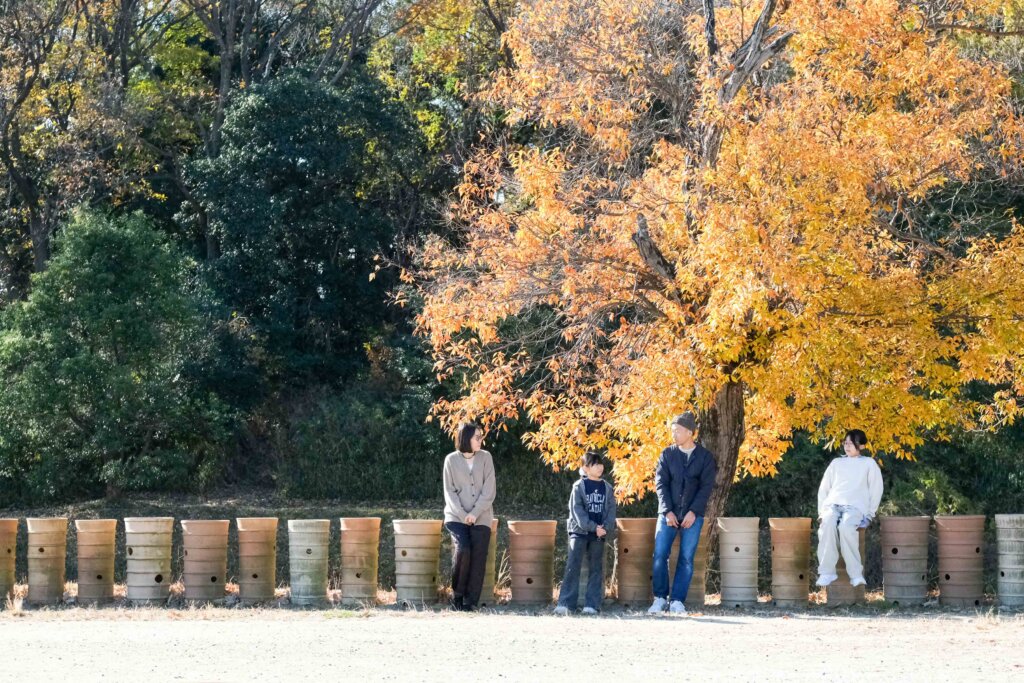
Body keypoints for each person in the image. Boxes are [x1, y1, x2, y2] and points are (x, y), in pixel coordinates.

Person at [648, 411, 717, 614]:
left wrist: (693, 512)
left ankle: (677, 601)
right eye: (672, 430)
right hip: (667, 514)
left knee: (686, 558)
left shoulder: (705, 457)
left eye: (677, 430)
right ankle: (660, 598)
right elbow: (660, 484)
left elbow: (706, 487)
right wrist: (667, 511)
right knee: (660, 555)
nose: (674, 434)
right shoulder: (667, 454)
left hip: (692, 516)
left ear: (690, 432)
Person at [815, 429, 883, 588]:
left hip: (855, 507)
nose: (847, 446)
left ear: (862, 446)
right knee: (827, 525)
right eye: (846, 443)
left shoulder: (869, 463)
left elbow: (876, 489)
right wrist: (821, 512)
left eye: (852, 443)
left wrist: (870, 514)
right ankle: (827, 572)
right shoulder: (836, 463)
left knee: (846, 528)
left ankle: (856, 574)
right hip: (833, 504)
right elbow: (824, 488)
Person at [554, 451, 617, 615]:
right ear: (586, 468)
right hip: (579, 532)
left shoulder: (607, 488)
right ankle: (565, 604)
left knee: (596, 568)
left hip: (599, 533)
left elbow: (611, 510)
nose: (600, 467)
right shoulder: (578, 486)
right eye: (595, 464)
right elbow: (577, 511)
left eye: (601, 464)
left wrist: (605, 528)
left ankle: (592, 605)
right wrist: (593, 527)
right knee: (573, 565)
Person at [442, 422, 497, 610]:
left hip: (482, 516)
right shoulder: (450, 460)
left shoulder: (486, 457)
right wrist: (463, 514)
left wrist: (474, 513)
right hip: (456, 517)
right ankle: (457, 597)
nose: (480, 440)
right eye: (477, 437)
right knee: (463, 549)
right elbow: (449, 492)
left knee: (479, 555)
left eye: (481, 437)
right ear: (466, 438)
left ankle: (471, 602)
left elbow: (489, 490)